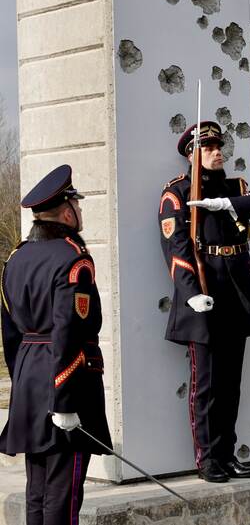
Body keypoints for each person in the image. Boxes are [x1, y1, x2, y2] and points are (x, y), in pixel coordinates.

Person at [159, 121, 250, 482]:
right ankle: (208, 459)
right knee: (207, 385)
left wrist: (228, 203)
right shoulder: (176, 194)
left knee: (231, 386)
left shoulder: (235, 187)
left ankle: (228, 454)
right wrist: (192, 293)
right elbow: (176, 251)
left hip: (235, 293)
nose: (216, 152)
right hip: (205, 293)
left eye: (218, 146)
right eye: (208, 147)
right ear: (191, 154)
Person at [0, 165, 111, 524]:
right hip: (68, 380)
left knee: (39, 489)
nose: (80, 211)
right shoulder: (73, 259)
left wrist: (24, 382)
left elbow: (11, 333)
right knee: (64, 492)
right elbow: (69, 332)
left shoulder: (16, 259)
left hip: (29, 377)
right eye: (77, 204)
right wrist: (63, 399)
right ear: (67, 211)